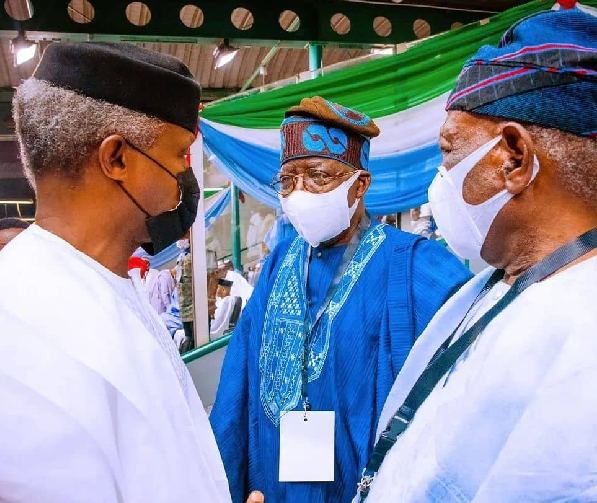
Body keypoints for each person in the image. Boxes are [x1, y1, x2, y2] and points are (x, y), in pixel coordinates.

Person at [353, 7, 597, 503]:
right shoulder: (498, 285)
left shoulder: (584, 330)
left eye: (448, 150)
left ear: (513, 157)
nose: (439, 180)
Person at [0, 42, 232, 502]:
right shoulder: (23, 336)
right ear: (117, 159)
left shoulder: (100, 286)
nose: (186, 183)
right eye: (179, 157)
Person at [211, 96, 472, 503]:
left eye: (317, 176)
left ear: (360, 185)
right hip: (273, 490)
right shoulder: (281, 260)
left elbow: (465, 382)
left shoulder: (412, 265)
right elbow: (237, 382)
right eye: (288, 180)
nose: (299, 193)